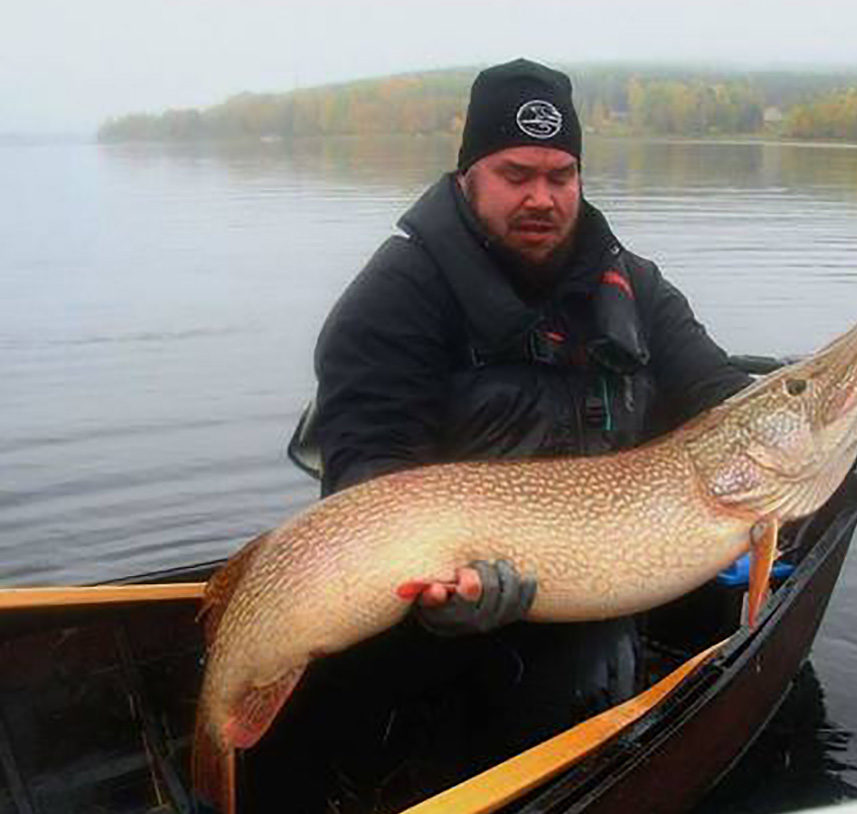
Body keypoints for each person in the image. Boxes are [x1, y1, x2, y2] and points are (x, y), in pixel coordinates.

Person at [251, 58, 752, 812]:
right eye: (516, 174)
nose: (542, 198)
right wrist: (436, 593)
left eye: (561, 175)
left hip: (592, 594)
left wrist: (832, 417)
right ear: (468, 175)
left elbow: (719, 398)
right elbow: (367, 472)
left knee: (589, 667)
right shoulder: (394, 296)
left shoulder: (635, 286)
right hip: (430, 630)